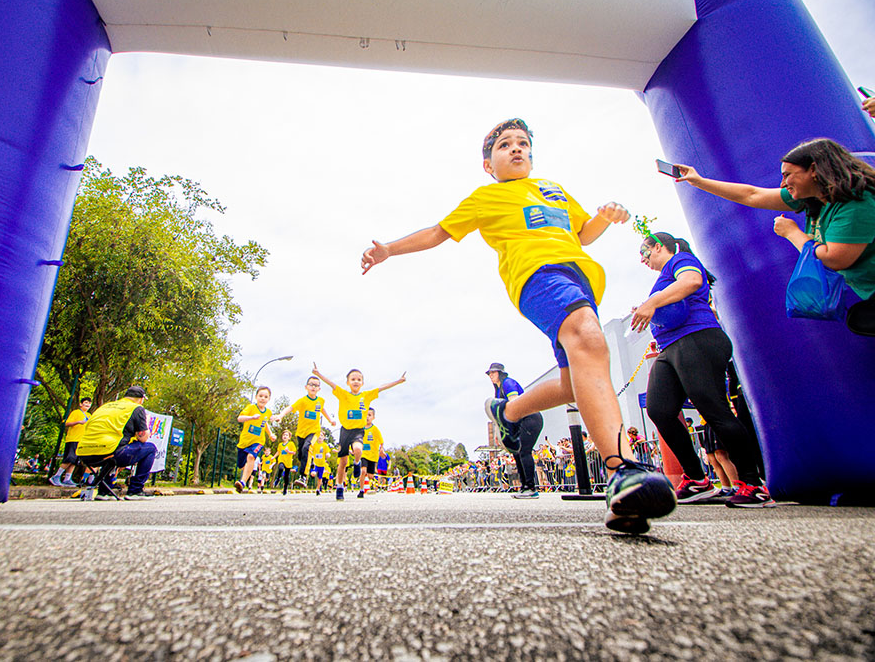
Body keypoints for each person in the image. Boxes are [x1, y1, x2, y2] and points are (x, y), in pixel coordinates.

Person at [360, 117, 676, 533]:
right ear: (489, 165)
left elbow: (581, 234)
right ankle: (622, 469)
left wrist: (604, 216)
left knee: (575, 379)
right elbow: (438, 232)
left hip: (580, 277)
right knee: (589, 340)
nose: (516, 149)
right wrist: (389, 250)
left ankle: (509, 411)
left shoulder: (554, 190)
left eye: (523, 143)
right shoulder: (485, 198)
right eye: (505, 145)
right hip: (537, 275)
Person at [674, 138, 875, 335]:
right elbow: (752, 195)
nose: (783, 183)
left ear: (813, 170)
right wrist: (699, 182)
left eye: (787, 175)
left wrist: (792, 233)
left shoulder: (856, 202)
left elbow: (835, 259)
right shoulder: (814, 197)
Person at [631, 232, 774, 508]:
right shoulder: (663, 279)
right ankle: (697, 480)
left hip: (698, 338)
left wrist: (652, 302)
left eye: (645, 252)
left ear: (660, 247)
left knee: (713, 409)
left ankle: (753, 484)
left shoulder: (682, 260)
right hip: (670, 347)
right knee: (659, 410)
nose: (642, 259)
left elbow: (692, 281)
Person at [311, 363, 406, 501]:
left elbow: (381, 388)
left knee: (357, 449)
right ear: (348, 382)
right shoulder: (343, 394)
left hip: (358, 431)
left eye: (358, 379)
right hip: (345, 431)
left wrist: (398, 381)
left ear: (362, 383)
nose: (356, 381)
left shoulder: (366, 396)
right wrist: (318, 374)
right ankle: (339, 487)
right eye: (353, 379)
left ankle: (357, 462)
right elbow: (331, 384)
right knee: (342, 463)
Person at [76, 385, 156, 500]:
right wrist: (146, 423)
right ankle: (135, 490)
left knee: (114, 449)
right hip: (110, 451)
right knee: (150, 448)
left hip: (84, 453)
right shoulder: (136, 408)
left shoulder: (105, 406)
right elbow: (143, 438)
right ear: (141, 399)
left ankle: (104, 492)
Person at [486, 363, 544, 499]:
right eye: (489, 373)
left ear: (500, 373)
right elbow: (499, 415)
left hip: (530, 418)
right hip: (519, 421)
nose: (491, 375)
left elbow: (514, 403)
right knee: (517, 453)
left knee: (524, 451)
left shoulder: (508, 383)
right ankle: (524, 487)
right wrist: (498, 433)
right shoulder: (498, 391)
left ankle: (531, 487)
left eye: (493, 373)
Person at [272, 376, 337, 488]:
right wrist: (281, 415)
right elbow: (290, 408)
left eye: (316, 385)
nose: (313, 387)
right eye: (311, 384)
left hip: (314, 431)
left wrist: (330, 420)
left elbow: (322, 410)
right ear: (306, 387)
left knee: (307, 448)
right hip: (301, 432)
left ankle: (303, 476)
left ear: (319, 389)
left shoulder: (320, 401)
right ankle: (310, 462)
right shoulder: (302, 401)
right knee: (301, 454)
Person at [235, 386, 277, 493]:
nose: (263, 398)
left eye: (265, 397)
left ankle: (242, 482)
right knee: (241, 464)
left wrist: (270, 434)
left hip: (258, 441)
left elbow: (265, 423)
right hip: (244, 442)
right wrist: (251, 417)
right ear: (256, 397)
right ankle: (245, 476)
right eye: (261, 396)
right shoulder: (250, 408)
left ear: (269, 399)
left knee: (251, 457)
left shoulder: (268, 412)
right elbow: (240, 418)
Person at [49, 397, 92, 487]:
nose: (88, 405)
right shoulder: (76, 412)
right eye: (86, 403)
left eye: (89, 403)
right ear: (81, 404)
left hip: (82, 440)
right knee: (70, 458)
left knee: (75, 461)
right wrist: (78, 422)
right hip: (73, 438)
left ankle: (67, 478)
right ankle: (56, 476)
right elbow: (67, 423)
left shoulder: (89, 415)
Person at [358, 407, 386, 498]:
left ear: (373, 417)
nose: (367, 417)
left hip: (373, 455)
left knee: (370, 475)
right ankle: (361, 490)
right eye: (365, 415)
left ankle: (373, 486)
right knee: (363, 471)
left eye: (369, 415)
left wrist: (381, 449)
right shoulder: (360, 429)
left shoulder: (375, 429)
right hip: (363, 454)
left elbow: (381, 441)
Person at [274, 430, 297, 496]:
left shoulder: (291, 444)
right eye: (284, 435)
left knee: (286, 476)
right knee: (280, 468)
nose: (285, 436)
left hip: (288, 462)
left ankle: (285, 488)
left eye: (286, 435)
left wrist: (289, 451)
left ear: (289, 437)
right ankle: (278, 478)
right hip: (281, 460)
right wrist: (273, 457)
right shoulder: (280, 445)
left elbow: (294, 452)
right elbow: (278, 452)